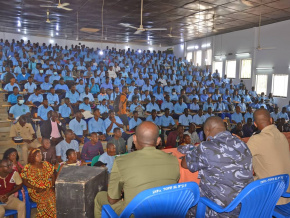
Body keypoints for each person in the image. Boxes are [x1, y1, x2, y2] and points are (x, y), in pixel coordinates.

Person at [94, 121, 180, 217]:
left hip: (134, 214)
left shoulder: (121, 161)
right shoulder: (173, 160)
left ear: (134, 138)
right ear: (158, 141)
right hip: (165, 212)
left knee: (99, 197)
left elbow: (112, 199)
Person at [181, 116, 253, 217]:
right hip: (244, 206)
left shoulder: (206, 147)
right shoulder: (243, 144)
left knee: (183, 206)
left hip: (218, 210)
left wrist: (195, 150)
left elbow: (184, 164)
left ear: (207, 130)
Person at [247, 108, 290, 205]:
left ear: (255, 124)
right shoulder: (281, 136)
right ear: (271, 120)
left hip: (272, 195)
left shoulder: (256, 140)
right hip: (286, 192)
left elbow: (241, 157)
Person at [21, 149, 56, 218]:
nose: (40, 157)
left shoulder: (46, 164)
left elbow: (53, 176)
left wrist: (52, 186)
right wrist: (36, 188)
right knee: (46, 199)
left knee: (52, 197)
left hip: (48, 188)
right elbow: (24, 181)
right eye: (37, 155)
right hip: (35, 191)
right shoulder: (27, 168)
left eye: (41, 155)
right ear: (32, 157)